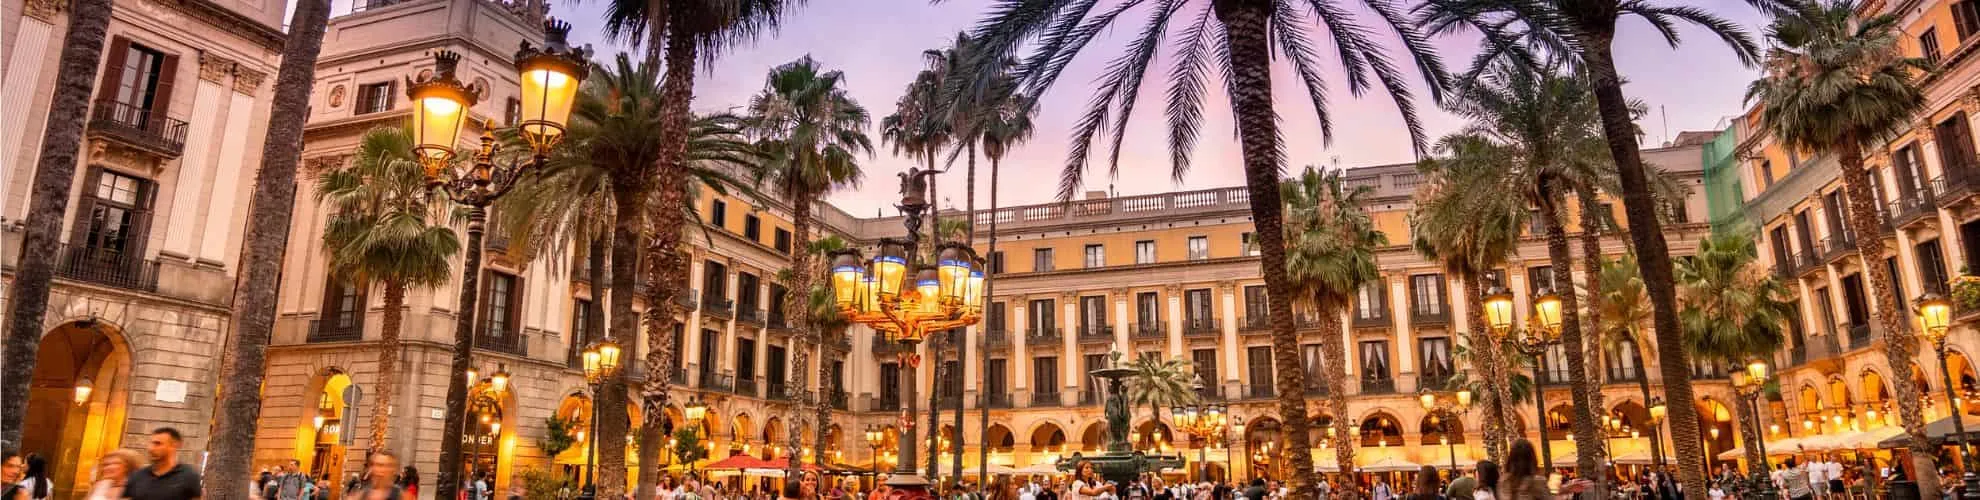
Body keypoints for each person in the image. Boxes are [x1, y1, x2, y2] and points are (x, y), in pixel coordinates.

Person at [126, 428, 203, 500]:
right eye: (151, 443)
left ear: (174, 446)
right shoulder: (137, 475)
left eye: (158, 444)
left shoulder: (189, 476)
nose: (150, 448)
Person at [1498, 440, 1588, 500]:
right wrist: (1568, 489)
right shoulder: (1536, 481)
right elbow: (1548, 497)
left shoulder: (1503, 481)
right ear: (1532, 459)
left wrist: (1566, 489)